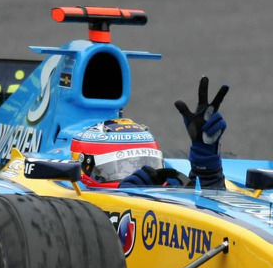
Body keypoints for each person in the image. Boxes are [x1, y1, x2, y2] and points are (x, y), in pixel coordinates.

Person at [72, 77, 229, 190]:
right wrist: (128, 198)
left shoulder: (169, 185)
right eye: (118, 168)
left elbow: (203, 202)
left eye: (147, 163)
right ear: (85, 168)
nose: (137, 173)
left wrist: (206, 163)